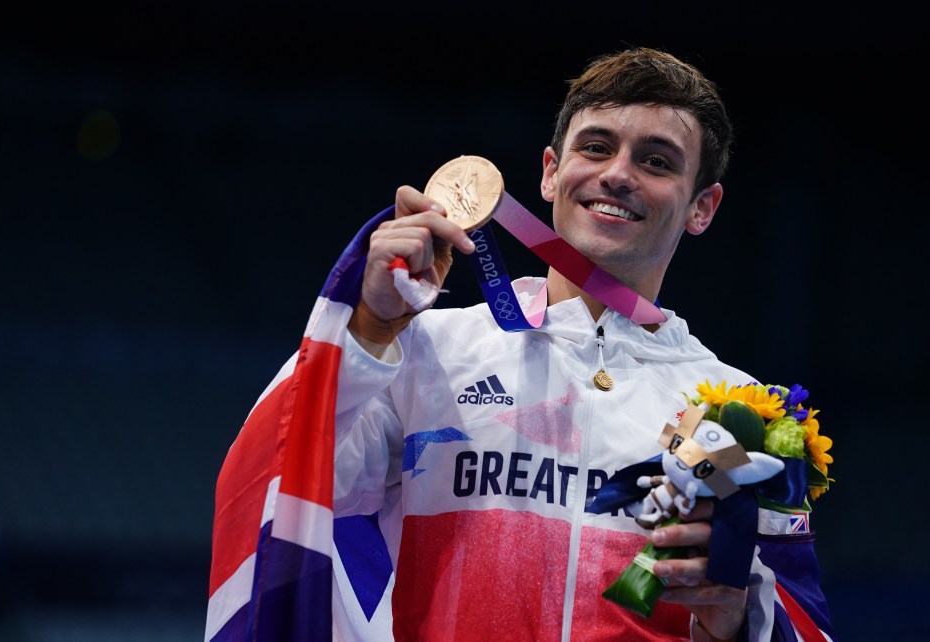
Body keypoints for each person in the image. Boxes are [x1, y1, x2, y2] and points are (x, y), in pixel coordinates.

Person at [207, 47, 837, 642]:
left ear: (703, 206)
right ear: (550, 172)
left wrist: (737, 620)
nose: (617, 174)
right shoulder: (429, 352)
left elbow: (799, 620)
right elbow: (284, 486)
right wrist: (368, 330)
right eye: (596, 147)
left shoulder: (741, 414)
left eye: (656, 161)